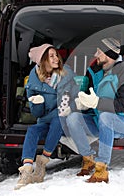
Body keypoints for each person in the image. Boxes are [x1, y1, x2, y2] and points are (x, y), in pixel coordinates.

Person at [66, 37, 124, 183]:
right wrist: (82, 104)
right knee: (72, 118)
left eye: (99, 52)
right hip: (99, 120)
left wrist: (97, 102)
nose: (95, 55)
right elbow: (85, 93)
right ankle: (88, 159)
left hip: (123, 122)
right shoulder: (93, 70)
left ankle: (101, 169)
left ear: (109, 54)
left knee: (106, 116)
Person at [15, 44, 79, 190]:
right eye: (52, 56)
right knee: (32, 130)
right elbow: (37, 114)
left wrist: (72, 107)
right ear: (42, 60)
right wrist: (37, 104)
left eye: (56, 55)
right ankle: (26, 169)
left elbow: (76, 96)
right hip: (45, 120)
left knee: (58, 120)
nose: (56, 58)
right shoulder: (33, 81)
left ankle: (42, 163)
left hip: (64, 120)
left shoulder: (66, 73)